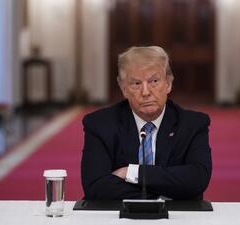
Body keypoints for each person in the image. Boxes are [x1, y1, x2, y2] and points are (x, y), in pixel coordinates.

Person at [81, 46, 212, 200]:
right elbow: (95, 187)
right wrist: (167, 191)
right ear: (124, 89)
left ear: (168, 84)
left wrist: (132, 173)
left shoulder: (193, 125)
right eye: (136, 84)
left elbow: (197, 179)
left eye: (154, 81)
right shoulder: (100, 124)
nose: (145, 92)